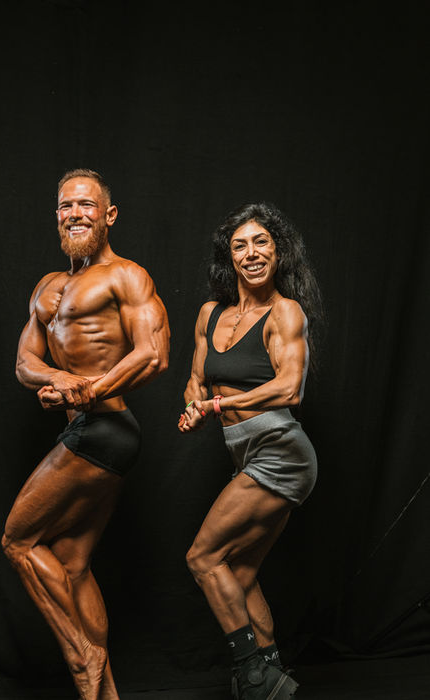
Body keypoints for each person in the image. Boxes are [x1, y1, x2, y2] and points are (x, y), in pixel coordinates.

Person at [2, 169, 170, 700]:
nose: (75, 214)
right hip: (90, 430)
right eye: (65, 206)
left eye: (86, 205)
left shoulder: (127, 276)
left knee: (18, 541)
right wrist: (58, 379)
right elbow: (25, 362)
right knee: (73, 566)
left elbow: (153, 355)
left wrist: (87, 391)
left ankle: (81, 656)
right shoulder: (47, 287)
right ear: (56, 216)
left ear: (109, 215)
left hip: (106, 427)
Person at [178, 202, 322, 700]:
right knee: (238, 572)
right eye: (240, 245)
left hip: (282, 452)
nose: (252, 253)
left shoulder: (285, 312)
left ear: (278, 253)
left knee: (203, 557)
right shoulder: (210, 314)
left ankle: (253, 676)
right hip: (248, 453)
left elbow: (290, 388)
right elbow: (196, 381)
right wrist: (194, 407)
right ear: (230, 257)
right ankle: (276, 678)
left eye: (262, 242)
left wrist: (221, 404)